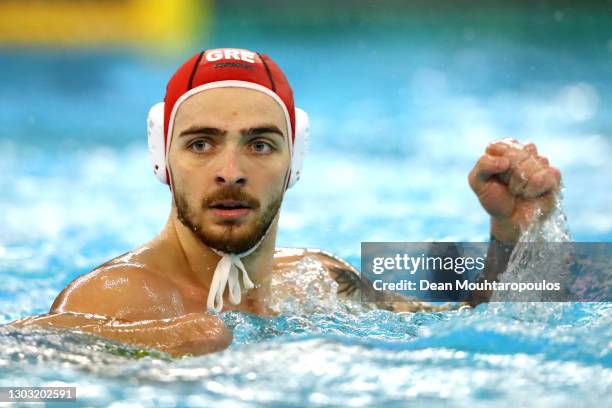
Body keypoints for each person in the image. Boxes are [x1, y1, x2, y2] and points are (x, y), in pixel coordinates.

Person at [12, 48, 561, 356]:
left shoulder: (320, 279)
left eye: (260, 144)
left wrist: (512, 236)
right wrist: (138, 340)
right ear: (164, 159)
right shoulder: (108, 302)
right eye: (200, 143)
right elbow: (32, 389)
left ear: (294, 161)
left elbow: (480, 329)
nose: (231, 171)